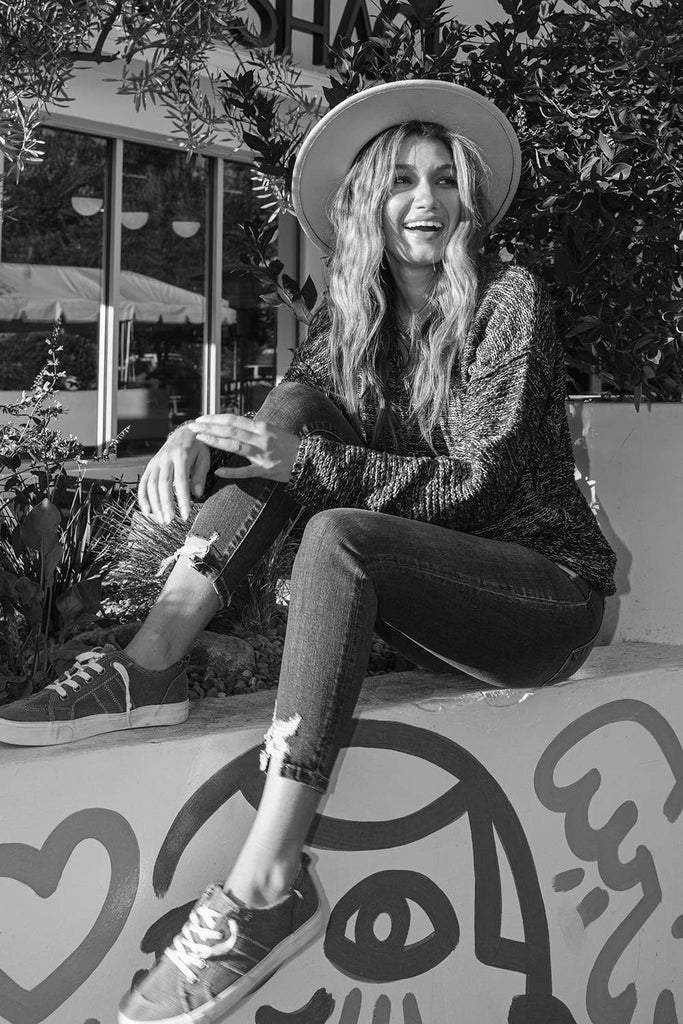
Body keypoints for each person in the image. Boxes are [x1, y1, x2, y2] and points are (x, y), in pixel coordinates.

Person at [0, 80, 616, 1023]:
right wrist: (199, 436)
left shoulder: (509, 299)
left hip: (538, 599)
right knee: (291, 412)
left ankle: (265, 882)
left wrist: (300, 460)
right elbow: (284, 433)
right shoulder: (354, 321)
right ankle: (148, 664)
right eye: (401, 179)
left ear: (469, 200)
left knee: (335, 530)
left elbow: (481, 483)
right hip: (427, 597)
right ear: (368, 200)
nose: (425, 199)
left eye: (444, 179)